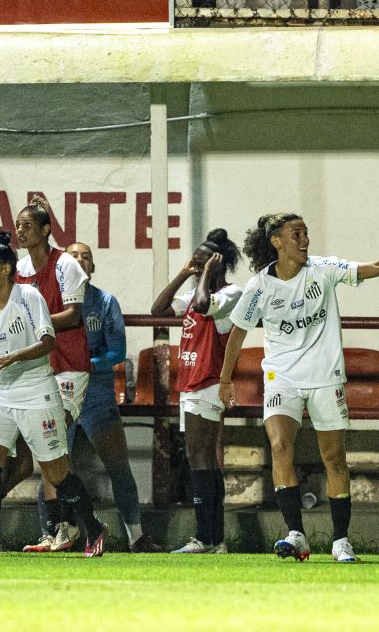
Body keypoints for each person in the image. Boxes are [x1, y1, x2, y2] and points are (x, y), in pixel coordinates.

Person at [219, 213, 379, 563]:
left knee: (333, 458)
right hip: (282, 377)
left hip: (326, 376)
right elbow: (237, 333)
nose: (304, 239)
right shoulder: (260, 287)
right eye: (296, 234)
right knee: (280, 445)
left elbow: (377, 269)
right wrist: (224, 379)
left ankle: (341, 540)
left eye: (306, 233)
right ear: (277, 242)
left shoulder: (323, 269)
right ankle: (296, 533)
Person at [0, 230, 108, 557]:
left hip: (35, 389)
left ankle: (94, 529)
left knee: (55, 470)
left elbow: (48, 342)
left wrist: (12, 357)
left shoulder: (29, 297)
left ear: (6, 270)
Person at [58, 242, 162, 553]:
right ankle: (58, 533)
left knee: (118, 464)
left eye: (85, 256)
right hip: (60, 391)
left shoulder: (104, 302)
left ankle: (136, 536)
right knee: (54, 464)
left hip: (96, 392)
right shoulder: (51, 300)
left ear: (92, 267)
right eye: (72, 256)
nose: (79, 260)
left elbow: (116, 351)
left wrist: (85, 364)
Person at [152, 229, 242, 554]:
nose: (198, 265)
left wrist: (205, 275)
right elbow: (157, 310)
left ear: (218, 264)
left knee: (199, 456)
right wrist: (183, 274)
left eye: (204, 261)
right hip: (191, 380)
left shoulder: (231, 294)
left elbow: (205, 306)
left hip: (209, 380)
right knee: (203, 458)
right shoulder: (193, 292)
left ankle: (205, 537)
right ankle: (214, 539)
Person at [13, 197, 92, 552]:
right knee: (48, 449)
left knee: (53, 445)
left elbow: (74, 315)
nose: (21, 230)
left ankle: (71, 525)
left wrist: (32, 323)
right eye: (19, 225)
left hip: (69, 366)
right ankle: (57, 528)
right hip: (37, 369)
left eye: (28, 225)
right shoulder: (17, 268)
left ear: (46, 230)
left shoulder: (66, 266)